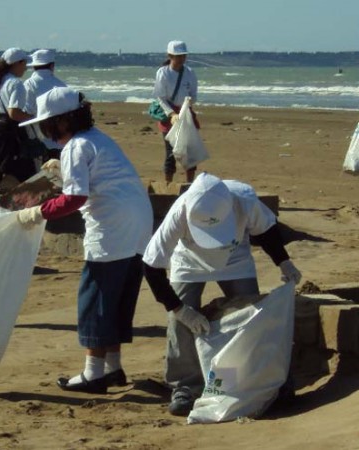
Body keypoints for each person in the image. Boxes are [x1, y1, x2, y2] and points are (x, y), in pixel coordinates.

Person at [16, 87, 153, 394]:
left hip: (112, 226)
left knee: (95, 298)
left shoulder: (76, 146)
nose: (44, 131)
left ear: (62, 121)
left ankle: (94, 373)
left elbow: (75, 197)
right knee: (119, 296)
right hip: (138, 222)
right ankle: (114, 368)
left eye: (46, 124)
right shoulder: (98, 138)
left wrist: (38, 213)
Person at [142, 172, 302, 416]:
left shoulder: (244, 200)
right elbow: (151, 267)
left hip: (235, 259)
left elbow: (268, 232)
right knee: (180, 325)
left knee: (252, 317)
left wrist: (284, 263)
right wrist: (180, 310)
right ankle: (186, 385)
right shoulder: (180, 212)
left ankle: (261, 378)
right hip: (189, 263)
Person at [0, 47, 34, 192]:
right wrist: (32, 117)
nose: (26, 68)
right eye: (24, 64)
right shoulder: (15, 84)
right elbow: (13, 113)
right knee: (24, 176)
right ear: (18, 63)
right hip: (8, 138)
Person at [152, 40, 199, 184]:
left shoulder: (190, 73)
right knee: (171, 153)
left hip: (185, 113)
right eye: (178, 56)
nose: (181, 59)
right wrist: (171, 114)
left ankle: (189, 184)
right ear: (170, 56)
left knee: (190, 152)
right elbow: (160, 97)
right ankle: (168, 184)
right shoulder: (163, 73)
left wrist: (187, 104)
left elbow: (194, 95)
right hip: (169, 114)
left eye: (183, 56)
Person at [23, 49, 67, 161]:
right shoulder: (61, 84)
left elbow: (27, 110)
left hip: (39, 137)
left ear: (34, 66)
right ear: (52, 65)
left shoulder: (29, 84)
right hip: (61, 137)